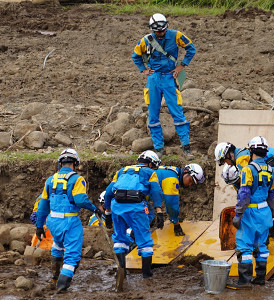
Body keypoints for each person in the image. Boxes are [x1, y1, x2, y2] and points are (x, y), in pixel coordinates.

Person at [35, 149, 102, 292]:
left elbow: (42, 205)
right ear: (76, 163)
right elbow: (80, 199)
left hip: (52, 221)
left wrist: (39, 226)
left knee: (58, 246)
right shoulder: (77, 179)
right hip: (69, 221)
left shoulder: (50, 180)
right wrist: (95, 209)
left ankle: (54, 278)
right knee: (72, 256)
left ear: (60, 163)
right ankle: (62, 285)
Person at [132, 13, 196, 160]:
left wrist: (181, 66)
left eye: (162, 31)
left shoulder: (177, 35)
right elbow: (135, 56)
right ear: (152, 30)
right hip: (153, 79)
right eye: (157, 31)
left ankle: (186, 149)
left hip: (169, 77)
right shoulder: (145, 40)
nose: (160, 34)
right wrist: (143, 69)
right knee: (153, 115)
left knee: (178, 113)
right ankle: (158, 149)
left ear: (166, 27)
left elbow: (191, 49)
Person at [104, 150, 164, 280]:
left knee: (119, 238)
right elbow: (156, 191)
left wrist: (107, 213)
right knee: (144, 239)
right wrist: (159, 211)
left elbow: (109, 192)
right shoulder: (150, 172)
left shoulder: (121, 171)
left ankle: (122, 272)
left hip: (117, 205)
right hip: (137, 206)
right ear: (151, 164)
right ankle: (147, 274)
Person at [229, 136, 274, 288]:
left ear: (251, 151)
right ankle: (260, 278)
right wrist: (271, 214)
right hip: (264, 212)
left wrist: (238, 215)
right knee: (261, 246)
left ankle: (244, 280)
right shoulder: (272, 171)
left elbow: (244, 195)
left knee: (244, 246)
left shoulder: (248, 170)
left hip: (250, 213)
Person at [155, 163, 205, 236]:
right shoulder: (172, 179)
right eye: (190, 180)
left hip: (137, 191)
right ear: (186, 172)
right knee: (145, 218)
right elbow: (171, 203)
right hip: (138, 196)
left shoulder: (172, 170)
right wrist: (176, 223)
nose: (190, 184)